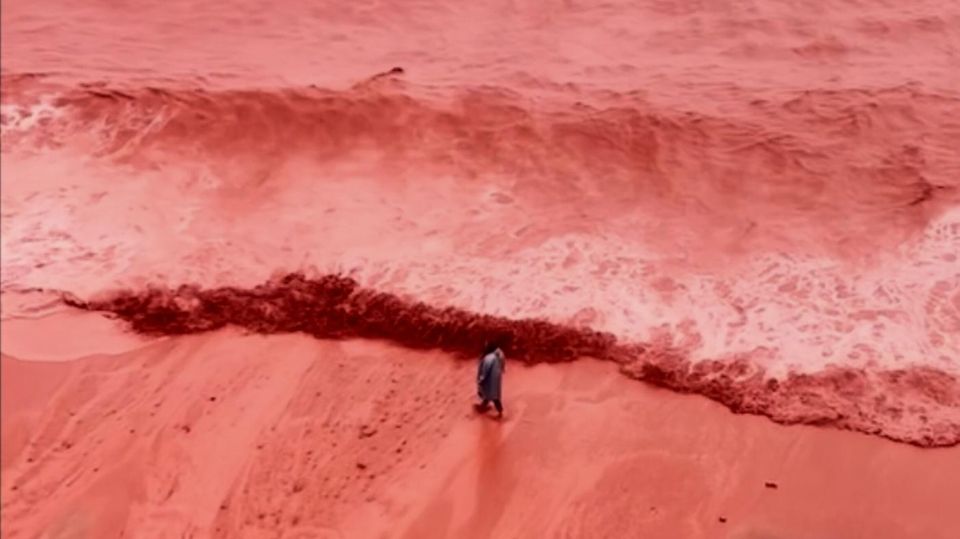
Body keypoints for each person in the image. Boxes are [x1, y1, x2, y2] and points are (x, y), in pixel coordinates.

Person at [476, 341, 506, 418]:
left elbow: (485, 370)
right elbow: (502, 366)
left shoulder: (488, 358)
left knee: (493, 396)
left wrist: (481, 379)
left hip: (490, 380)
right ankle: (483, 406)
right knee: (491, 395)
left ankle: (500, 412)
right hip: (495, 379)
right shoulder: (497, 355)